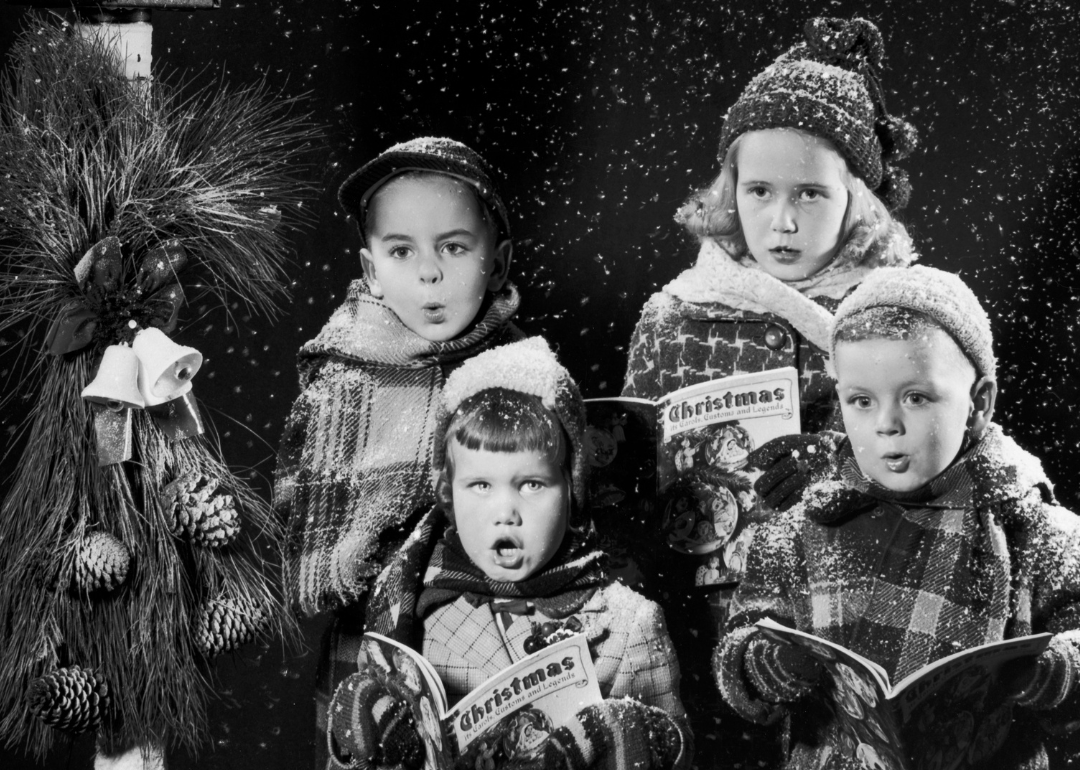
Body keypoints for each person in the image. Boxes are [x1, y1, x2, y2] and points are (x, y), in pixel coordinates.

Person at [617, 17, 918, 762]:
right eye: (759, 190)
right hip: (697, 619)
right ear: (730, 190)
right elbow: (622, 479)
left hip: (848, 625)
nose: (781, 221)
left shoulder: (906, 317)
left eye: (810, 194)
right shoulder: (673, 314)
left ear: (861, 200)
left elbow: (954, 467)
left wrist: (843, 470)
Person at [715, 266, 1080, 769]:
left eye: (916, 397)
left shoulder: (1034, 530)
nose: (886, 424)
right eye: (861, 401)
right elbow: (736, 653)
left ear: (978, 405)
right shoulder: (798, 526)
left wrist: (1047, 671)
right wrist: (775, 664)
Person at [272, 137, 521, 769]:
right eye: (401, 251)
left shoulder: (522, 374)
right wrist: (393, 554)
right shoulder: (342, 386)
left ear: (497, 261)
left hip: (503, 646)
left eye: (454, 247)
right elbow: (308, 550)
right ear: (370, 267)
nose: (428, 272)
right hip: (371, 655)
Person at [328, 337, 692, 770]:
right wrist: (367, 735)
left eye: (532, 485)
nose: (505, 513)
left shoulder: (629, 626)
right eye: (480, 485)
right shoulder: (408, 611)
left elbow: (675, 753)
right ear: (449, 494)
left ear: (572, 491)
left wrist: (624, 738)